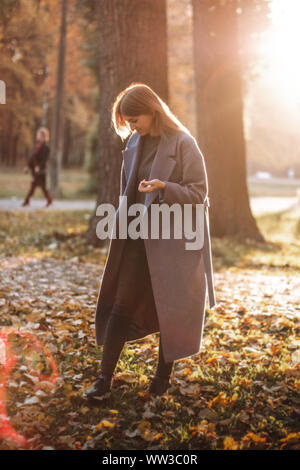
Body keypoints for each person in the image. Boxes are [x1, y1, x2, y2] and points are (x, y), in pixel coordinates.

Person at [83, 82, 217, 401]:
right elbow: (126, 192)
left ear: (152, 111)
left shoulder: (184, 143)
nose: (132, 126)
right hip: (134, 239)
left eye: (135, 119)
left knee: (168, 309)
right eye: (127, 121)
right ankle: (103, 380)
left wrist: (164, 187)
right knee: (120, 304)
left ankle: (161, 380)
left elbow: (200, 194)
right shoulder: (133, 144)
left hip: (172, 244)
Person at [22, 127, 53, 207]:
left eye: (39, 134)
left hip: (41, 171)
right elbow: (32, 157)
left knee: (39, 187)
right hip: (35, 170)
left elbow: (45, 159)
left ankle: (27, 201)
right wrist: (28, 166)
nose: (37, 136)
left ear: (43, 136)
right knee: (38, 186)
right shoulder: (37, 146)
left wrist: (39, 167)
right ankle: (49, 200)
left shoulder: (46, 147)